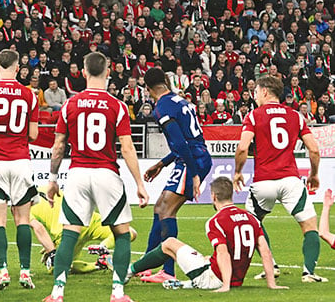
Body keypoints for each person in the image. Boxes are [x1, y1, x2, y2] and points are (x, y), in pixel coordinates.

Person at [43, 52, 149, 302]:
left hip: (78, 173)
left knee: (70, 232)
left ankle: (57, 292)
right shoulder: (117, 106)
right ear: (109, 72)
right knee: (122, 233)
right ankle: (118, 293)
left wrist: (52, 178)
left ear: (83, 71)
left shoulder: (71, 104)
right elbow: (127, 147)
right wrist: (140, 184)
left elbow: (58, 145)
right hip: (106, 173)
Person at [234, 76, 327, 283]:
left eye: (256, 92)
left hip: (263, 182)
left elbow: (242, 148)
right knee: (309, 226)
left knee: (253, 224)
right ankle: (309, 273)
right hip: (290, 180)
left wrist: (238, 171)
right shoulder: (296, 116)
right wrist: (314, 174)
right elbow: (314, 149)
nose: (255, 96)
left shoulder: (254, 115)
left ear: (265, 92)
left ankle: (271, 266)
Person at [127, 177, 287, 293]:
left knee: (169, 243)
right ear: (231, 195)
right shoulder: (251, 218)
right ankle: (188, 284)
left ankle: (129, 271)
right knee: (205, 258)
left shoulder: (216, 221)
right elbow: (265, 252)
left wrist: (224, 286)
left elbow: (223, 252)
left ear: (213, 196)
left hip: (215, 279)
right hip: (237, 280)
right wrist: (271, 284)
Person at [139, 67, 213, 283]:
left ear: (148, 88)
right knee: (160, 207)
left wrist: (193, 174)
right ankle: (147, 263)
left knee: (166, 211)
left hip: (191, 160)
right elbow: (187, 140)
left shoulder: (161, 107)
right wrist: (162, 164)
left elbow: (181, 143)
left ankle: (168, 271)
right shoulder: (180, 100)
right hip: (192, 156)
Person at [0, 49, 39, 290]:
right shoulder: (29, 95)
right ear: (17, 67)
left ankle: (2, 271)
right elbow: (33, 134)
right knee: (23, 220)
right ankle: (25, 272)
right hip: (21, 162)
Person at [31, 189, 138, 274]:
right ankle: (103, 247)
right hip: (89, 219)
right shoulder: (46, 188)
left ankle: (99, 264)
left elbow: (39, 228)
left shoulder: (22, 207)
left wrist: (52, 251)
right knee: (130, 232)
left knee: (58, 267)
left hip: (68, 230)